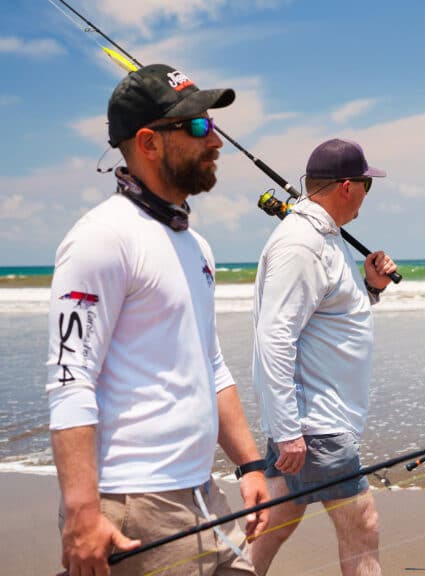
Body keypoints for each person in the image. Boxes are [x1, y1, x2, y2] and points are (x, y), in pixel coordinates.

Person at [46, 63, 269, 576]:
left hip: (203, 493)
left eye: (212, 125)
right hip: (131, 502)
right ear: (148, 142)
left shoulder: (196, 246)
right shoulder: (102, 238)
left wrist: (251, 464)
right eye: (197, 127)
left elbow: (210, 363)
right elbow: (69, 378)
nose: (215, 141)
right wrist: (82, 514)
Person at [250, 138, 397, 576]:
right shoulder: (302, 244)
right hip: (317, 425)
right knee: (362, 523)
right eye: (368, 186)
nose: (368, 197)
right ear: (348, 187)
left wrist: (370, 288)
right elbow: (275, 337)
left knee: (276, 522)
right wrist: (289, 430)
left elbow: (330, 318)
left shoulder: (323, 238)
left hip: (314, 421)